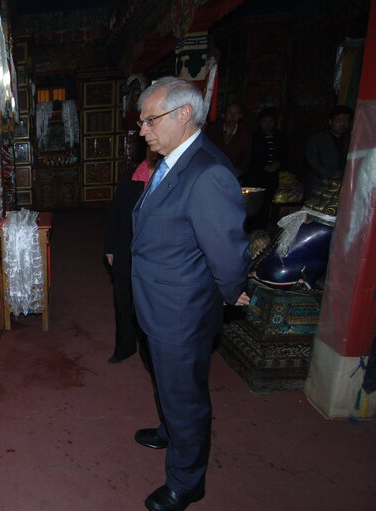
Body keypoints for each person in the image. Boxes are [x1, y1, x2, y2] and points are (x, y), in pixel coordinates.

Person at [131, 77, 250, 511]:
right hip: (157, 301)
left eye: (150, 120)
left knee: (187, 398)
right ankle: (169, 431)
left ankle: (187, 480)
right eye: (142, 121)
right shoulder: (175, 160)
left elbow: (227, 247)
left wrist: (232, 290)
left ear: (184, 114)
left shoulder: (207, 171)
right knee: (166, 381)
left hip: (180, 310)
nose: (143, 129)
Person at [104, 146, 159, 364]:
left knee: (150, 306)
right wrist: (109, 247)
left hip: (157, 254)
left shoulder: (175, 178)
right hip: (126, 249)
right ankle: (124, 345)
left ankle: (150, 352)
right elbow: (116, 213)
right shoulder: (132, 176)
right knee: (123, 301)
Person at [246, 107, 286, 230]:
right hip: (256, 177)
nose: (268, 125)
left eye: (270, 121)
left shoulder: (281, 137)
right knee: (254, 206)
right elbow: (250, 157)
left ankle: (263, 231)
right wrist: (263, 167)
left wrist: (279, 164)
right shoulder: (254, 137)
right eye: (264, 122)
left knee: (268, 205)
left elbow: (285, 154)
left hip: (272, 178)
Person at [304, 105, 353, 199]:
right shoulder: (317, 138)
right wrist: (330, 175)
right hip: (319, 183)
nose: (343, 124)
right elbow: (313, 162)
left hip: (342, 186)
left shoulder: (351, 139)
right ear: (330, 121)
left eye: (346, 121)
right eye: (339, 121)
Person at [205, 102, 251, 178]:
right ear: (223, 115)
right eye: (229, 112)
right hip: (211, 173)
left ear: (241, 116)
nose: (233, 116)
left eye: (236, 113)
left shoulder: (244, 136)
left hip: (234, 175)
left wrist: (236, 173)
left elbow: (246, 159)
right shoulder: (212, 131)